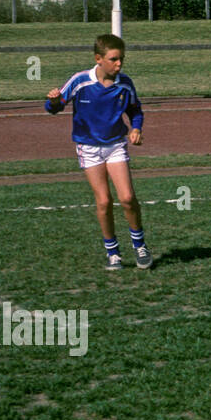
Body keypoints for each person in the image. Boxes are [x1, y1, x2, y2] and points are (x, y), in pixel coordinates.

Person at [45, 34, 153, 270]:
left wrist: (136, 128)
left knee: (127, 198)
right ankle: (113, 253)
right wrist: (53, 100)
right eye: (114, 59)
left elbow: (136, 111)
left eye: (121, 59)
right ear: (98, 59)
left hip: (115, 145)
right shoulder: (80, 81)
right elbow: (55, 106)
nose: (119, 64)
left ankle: (140, 246)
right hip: (89, 148)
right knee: (104, 201)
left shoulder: (125, 83)